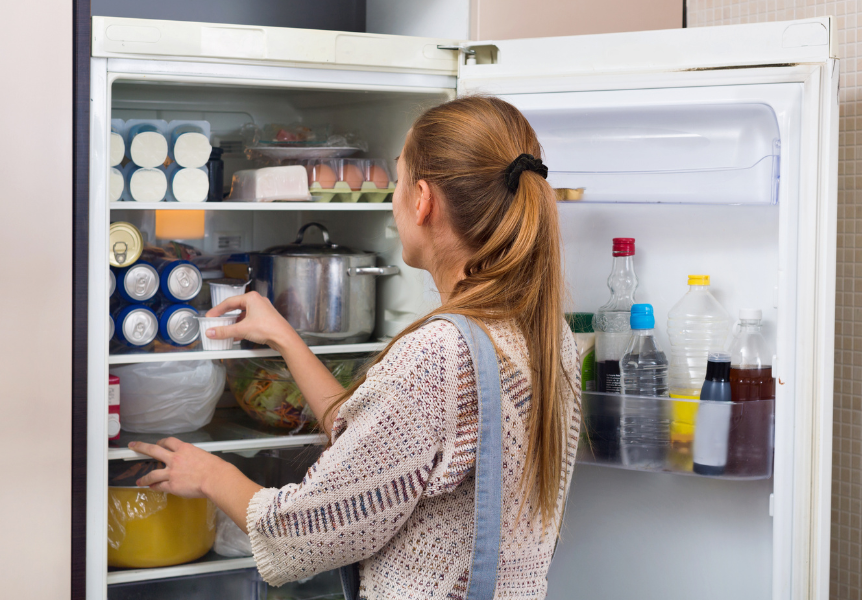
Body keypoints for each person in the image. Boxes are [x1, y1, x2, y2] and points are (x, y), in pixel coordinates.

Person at [130, 96, 581, 599]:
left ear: (423, 200)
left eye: (399, 179)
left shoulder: (438, 355)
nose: (392, 199)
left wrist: (213, 474)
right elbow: (376, 445)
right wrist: (284, 335)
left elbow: (303, 534)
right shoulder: (544, 335)